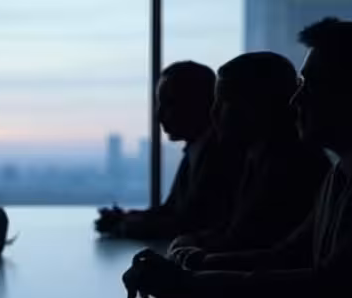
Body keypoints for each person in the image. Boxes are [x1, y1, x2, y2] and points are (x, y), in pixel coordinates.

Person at [122, 18, 352, 298]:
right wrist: (198, 269)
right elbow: (290, 254)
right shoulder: (344, 173)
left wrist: (190, 284)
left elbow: (329, 291)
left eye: (311, 86)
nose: (296, 100)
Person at [168, 52, 329, 267]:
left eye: (224, 102)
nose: (213, 113)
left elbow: (256, 244)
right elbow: (235, 229)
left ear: (256, 106)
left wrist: (195, 258)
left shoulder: (290, 165)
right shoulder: (259, 156)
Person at [95, 61, 242, 241]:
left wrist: (126, 225)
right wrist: (127, 217)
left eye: (170, 103)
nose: (159, 116)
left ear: (203, 103)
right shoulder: (197, 148)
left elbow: (193, 223)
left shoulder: (219, 155)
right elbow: (174, 212)